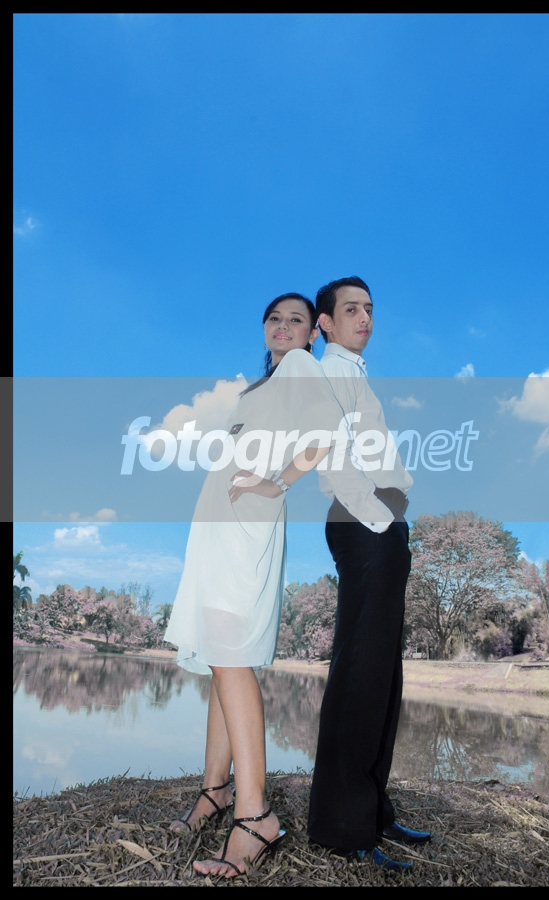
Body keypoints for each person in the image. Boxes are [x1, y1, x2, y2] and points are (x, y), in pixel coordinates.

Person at [164, 293, 352, 880]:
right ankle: (215, 790)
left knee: (231, 656)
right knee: (221, 656)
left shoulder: (300, 368)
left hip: (247, 525)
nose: (283, 326)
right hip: (219, 525)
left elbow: (329, 430)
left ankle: (255, 815)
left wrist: (279, 482)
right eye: (274, 318)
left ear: (313, 333)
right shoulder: (259, 387)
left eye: (297, 320)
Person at [306, 276, 431, 869]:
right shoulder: (328, 373)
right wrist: (381, 520)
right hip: (362, 522)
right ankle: (342, 826)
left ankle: (374, 811)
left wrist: (395, 519)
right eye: (351, 309)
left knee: (383, 673)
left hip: (382, 524)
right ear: (325, 323)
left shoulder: (355, 373)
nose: (365, 318)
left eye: (370, 309)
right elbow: (333, 460)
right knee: (360, 671)